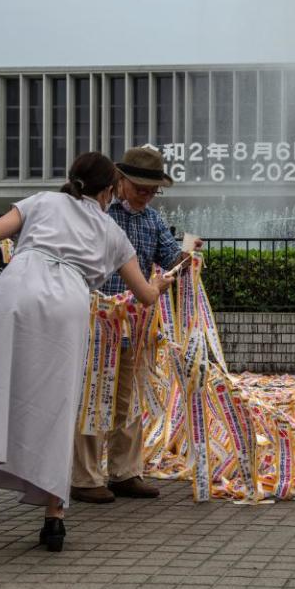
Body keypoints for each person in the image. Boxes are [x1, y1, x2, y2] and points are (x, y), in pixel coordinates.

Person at [0, 152, 175, 552]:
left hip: (16, 291)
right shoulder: (113, 233)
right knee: (56, 408)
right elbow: (147, 295)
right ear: (110, 188)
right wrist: (164, 282)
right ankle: (53, 520)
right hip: (67, 305)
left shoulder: (43, 201)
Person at [71, 146, 201, 503]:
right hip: (95, 321)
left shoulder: (152, 220)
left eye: (152, 191)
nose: (146, 196)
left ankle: (125, 472)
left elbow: (171, 260)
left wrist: (188, 256)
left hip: (135, 325)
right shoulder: (98, 212)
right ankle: (85, 478)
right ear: (120, 181)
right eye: (140, 188)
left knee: (127, 400)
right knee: (92, 396)